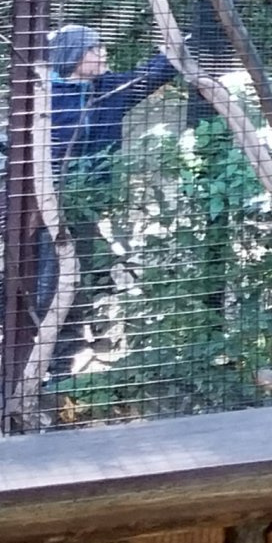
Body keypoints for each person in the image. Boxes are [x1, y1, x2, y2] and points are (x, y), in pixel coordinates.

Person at [33, 23, 177, 368]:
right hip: (48, 201)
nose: (103, 54)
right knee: (54, 278)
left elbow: (153, 74)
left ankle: (66, 350)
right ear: (72, 57)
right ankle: (48, 357)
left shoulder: (108, 88)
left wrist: (178, 40)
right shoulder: (42, 94)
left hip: (87, 202)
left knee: (78, 270)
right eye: (93, 49)